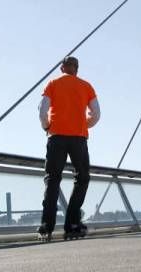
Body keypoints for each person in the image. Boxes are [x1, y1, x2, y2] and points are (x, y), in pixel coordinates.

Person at [37, 56, 100, 240]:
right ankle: (72, 223)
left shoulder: (53, 84)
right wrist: (83, 124)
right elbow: (96, 114)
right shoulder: (86, 86)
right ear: (76, 69)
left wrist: (47, 126)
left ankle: (46, 226)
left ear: (62, 67)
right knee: (82, 178)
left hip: (56, 137)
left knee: (52, 179)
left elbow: (42, 110)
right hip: (78, 139)